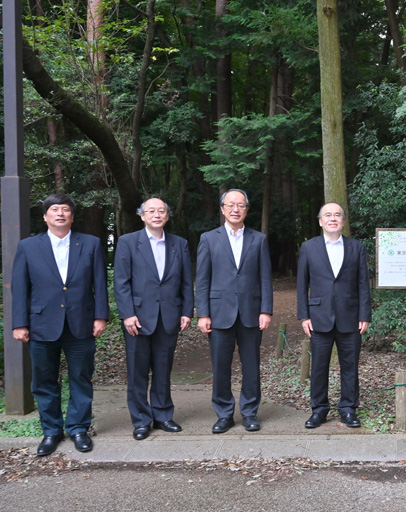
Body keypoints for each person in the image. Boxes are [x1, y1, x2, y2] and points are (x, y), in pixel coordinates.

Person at [11, 194, 109, 456]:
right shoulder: (28, 247)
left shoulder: (90, 244)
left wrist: (101, 317)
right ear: (45, 216)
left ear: (72, 216)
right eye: (54, 210)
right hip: (42, 323)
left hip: (81, 323)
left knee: (80, 377)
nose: (60, 214)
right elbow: (20, 288)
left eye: (65, 210)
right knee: (44, 380)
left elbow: (99, 283)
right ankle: (51, 431)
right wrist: (19, 323)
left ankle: (78, 428)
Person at [114, 198, 194, 440]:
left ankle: (163, 416)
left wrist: (186, 311)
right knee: (138, 371)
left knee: (163, 369)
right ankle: (141, 420)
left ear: (167, 216)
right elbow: (121, 282)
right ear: (142, 216)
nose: (157, 215)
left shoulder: (179, 244)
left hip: (169, 316)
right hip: (137, 318)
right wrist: (127, 314)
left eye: (161, 211)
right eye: (151, 211)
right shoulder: (128, 242)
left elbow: (186, 282)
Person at [196, 189, 273, 434]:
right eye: (230, 205)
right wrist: (203, 313)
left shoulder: (258, 239)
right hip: (219, 313)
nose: (235, 209)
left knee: (251, 365)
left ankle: (250, 412)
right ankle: (224, 414)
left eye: (240, 205)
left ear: (246, 209)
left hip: (251, 312)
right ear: (222, 209)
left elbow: (265, 278)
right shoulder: (209, 239)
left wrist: (266, 310)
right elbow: (203, 279)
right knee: (220, 366)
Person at [297, 202, 372, 429]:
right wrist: (304, 316)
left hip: (350, 317)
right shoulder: (309, 247)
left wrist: (365, 314)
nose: (332, 218)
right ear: (320, 221)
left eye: (337, 215)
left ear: (343, 220)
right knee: (318, 367)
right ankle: (319, 410)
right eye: (327, 215)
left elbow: (363, 284)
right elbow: (302, 284)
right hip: (319, 317)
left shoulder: (356, 247)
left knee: (350, 367)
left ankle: (348, 409)